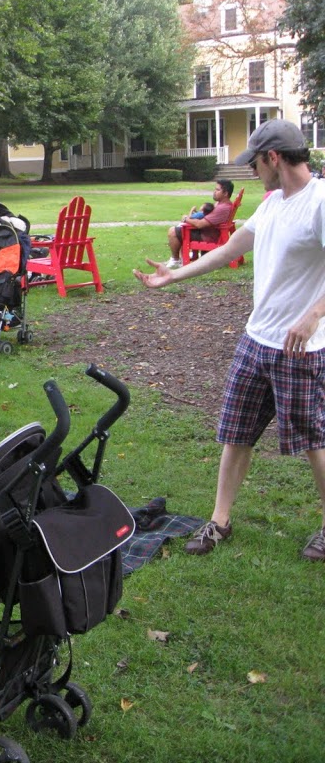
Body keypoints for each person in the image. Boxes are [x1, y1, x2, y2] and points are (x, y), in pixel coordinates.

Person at [134, 118, 325, 561]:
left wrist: (314, 314)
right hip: (256, 339)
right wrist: (174, 275)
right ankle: (220, 521)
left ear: (273, 157)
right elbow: (229, 249)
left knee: (314, 439)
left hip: (299, 349)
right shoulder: (274, 202)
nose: (253, 172)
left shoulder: (319, 202)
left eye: (255, 163)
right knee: (235, 432)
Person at [163, 179, 235, 268]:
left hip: (207, 237)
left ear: (225, 193)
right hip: (209, 233)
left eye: (217, 190)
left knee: (173, 231)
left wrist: (186, 218)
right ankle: (178, 258)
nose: (214, 192)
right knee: (179, 228)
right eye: (215, 189)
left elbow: (200, 224)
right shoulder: (221, 204)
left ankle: (175, 260)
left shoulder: (222, 208)